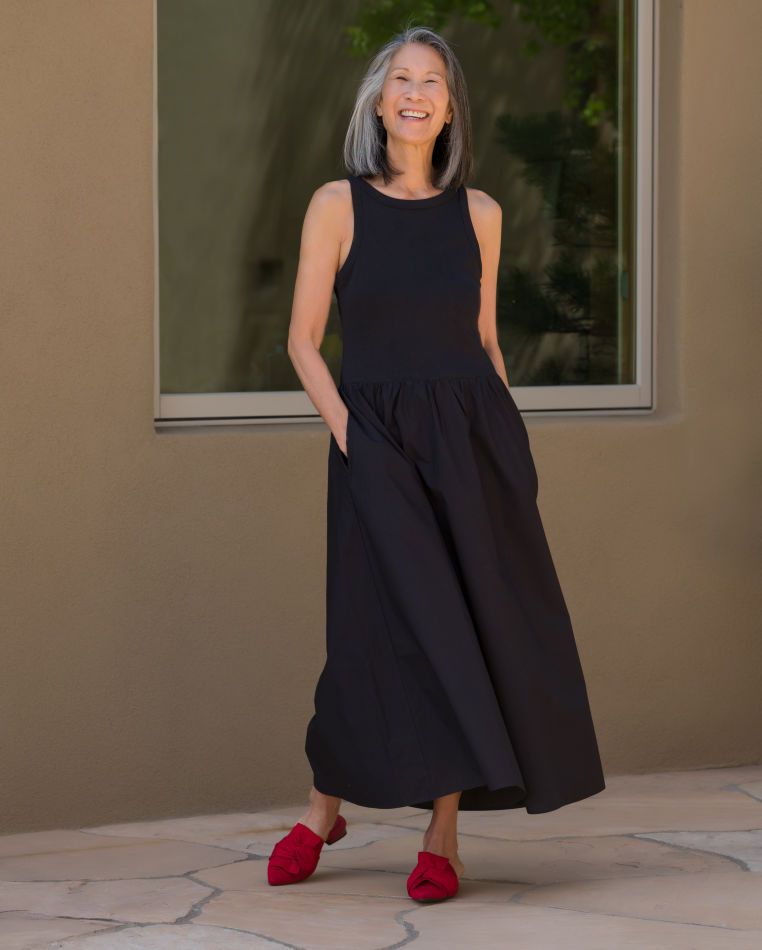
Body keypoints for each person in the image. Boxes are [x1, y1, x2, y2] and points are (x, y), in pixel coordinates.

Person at [269, 25, 606, 903]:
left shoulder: (480, 215)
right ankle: (322, 810)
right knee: (368, 632)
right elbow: (303, 341)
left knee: (461, 632)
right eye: (401, 79)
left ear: (450, 108)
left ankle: (443, 836)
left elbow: (484, 340)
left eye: (432, 81)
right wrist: (353, 438)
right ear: (379, 103)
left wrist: (510, 448)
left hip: (472, 445)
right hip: (375, 438)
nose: (415, 93)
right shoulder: (336, 205)